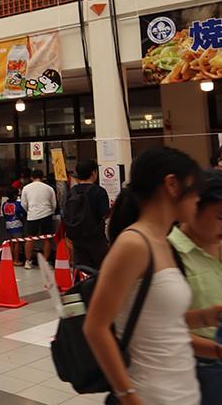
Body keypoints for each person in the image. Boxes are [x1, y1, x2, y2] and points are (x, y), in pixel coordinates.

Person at [83, 147, 221, 405]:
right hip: (149, 393)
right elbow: (96, 327)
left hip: (181, 392)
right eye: (194, 191)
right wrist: (128, 395)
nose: (197, 200)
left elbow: (161, 324)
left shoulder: (162, 243)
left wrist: (206, 319)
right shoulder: (133, 244)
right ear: (172, 185)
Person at [168, 169, 222, 404]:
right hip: (199, 368)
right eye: (220, 217)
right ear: (192, 208)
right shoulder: (169, 255)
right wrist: (216, 351)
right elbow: (164, 330)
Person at [66, 159, 111, 270]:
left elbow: (67, 213)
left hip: (77, 237)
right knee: (100, 269)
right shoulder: (99, 191)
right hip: (95, 237)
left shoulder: (72, 192)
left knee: (81, 269)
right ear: (93, 173)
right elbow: (104, 214)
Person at [21, 168, 57, 269]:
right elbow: (54, 204)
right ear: (42, 177)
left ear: (31, 177)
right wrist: (51, 211)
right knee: (47, 239)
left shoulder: (26, 188)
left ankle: (28, 261)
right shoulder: (49, 188)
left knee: (30, 239)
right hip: (46, 214)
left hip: (32, 215)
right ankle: (45, 262)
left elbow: (23, 204)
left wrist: (29, 211)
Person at [2, 187, 25, 265]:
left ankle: (10, 259)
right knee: (17, 243)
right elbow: (22, 213)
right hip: (17, 224)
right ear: (15, 195)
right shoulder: (17, 204)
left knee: (11, 242)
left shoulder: (5, 204)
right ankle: (16, 260)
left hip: (8, 224)